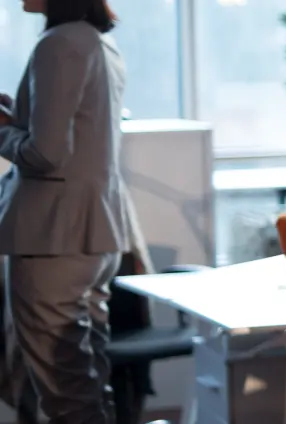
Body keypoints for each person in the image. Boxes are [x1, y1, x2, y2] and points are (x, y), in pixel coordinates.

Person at [0, 0, 128, 422]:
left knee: (65, 393)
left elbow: (47, 153)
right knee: (87, 382)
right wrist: (14, 119)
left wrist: (2, 134)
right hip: (94, 237)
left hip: (54, 240)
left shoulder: (58, 43)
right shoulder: (98, 44)